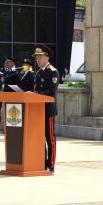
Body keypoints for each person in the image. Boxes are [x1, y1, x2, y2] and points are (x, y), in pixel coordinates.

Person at [33, 45, 59, 173]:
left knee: (50, 138)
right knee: (39, 138)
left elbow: (51, 93)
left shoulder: (52, 71)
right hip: (37, 110)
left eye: (40, 57)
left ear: (47, 57)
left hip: (48, 110)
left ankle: (51, 164)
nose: (37, 60)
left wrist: (36, 94)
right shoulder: (38, 72)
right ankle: (42, 162)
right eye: (36, 57)